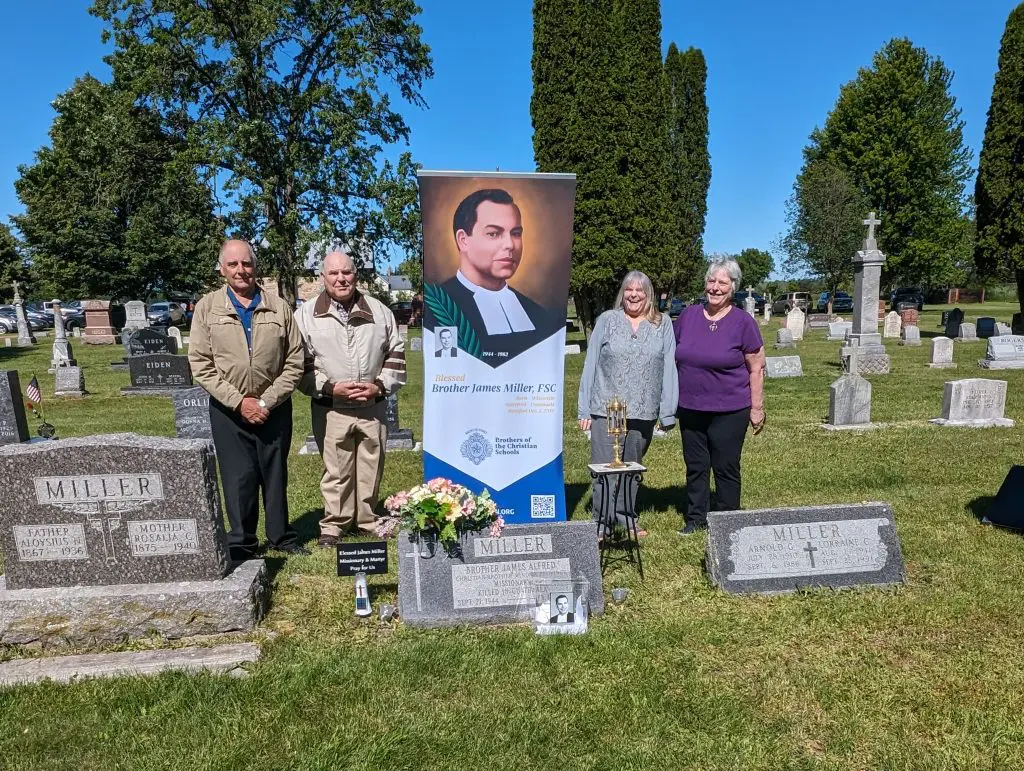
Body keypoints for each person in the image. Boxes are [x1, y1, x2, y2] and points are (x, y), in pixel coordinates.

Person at [189, 239, 308, 560]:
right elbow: (201, 363)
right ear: (222, 269)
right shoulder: (207, 308)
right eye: (233, 264)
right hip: (229, 410)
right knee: (238, 476)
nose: (241, 270)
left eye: (246, 263)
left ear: (255, 266)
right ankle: (242, 540)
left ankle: (281, 537)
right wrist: (239, 402)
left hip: (274, 408)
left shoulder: (278, 307)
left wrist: (266, 401)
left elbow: (294, 360)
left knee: (275, 474)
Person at [295, 250, 406, 547]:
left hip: (372, 405)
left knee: (372, 464)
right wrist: (329, 387)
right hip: (331, 407)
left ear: (356, 275)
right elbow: (299, 363)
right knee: (336, 469)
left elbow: (395, 353)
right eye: (333, 273)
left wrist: (379, 386)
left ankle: (368, 520)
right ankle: (334, 524)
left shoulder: (380, 311)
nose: (341, 278)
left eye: (346, 272)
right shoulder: (305, 316)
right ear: (323, 277)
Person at [578, 271, 678, 538]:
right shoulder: (607, 320)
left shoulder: (662, 324)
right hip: (607, 407)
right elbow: (590, 363)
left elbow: (669, 367)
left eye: (640, 290)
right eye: (629, 289)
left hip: (643, 409)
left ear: (648, 294)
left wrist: (667, 411)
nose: (634, 295)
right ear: (622, 293)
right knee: (605, 467)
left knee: (632, 467)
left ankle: (626, 518)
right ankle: (602, 523)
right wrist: (583, 407)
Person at [674, 256, 766, 535]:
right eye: (711, 281)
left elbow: (756, 367)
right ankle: (696, 519)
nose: (715, 288)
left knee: (726, 466)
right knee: (696, 466)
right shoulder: (688, 316)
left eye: (722, 283)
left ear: (733, 287)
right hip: (690, 406)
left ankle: (728, 523)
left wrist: (757, 407)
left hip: (730, 408)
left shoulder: (743, 322)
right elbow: (669, 353)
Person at [424, 188, 561, 361]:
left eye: (516, 233)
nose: (510, 244)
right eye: (494, 234)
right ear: (463, 240)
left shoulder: (538, 313)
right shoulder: (437, 307)